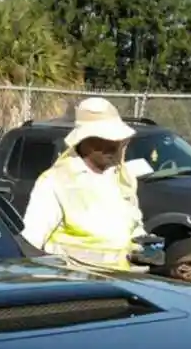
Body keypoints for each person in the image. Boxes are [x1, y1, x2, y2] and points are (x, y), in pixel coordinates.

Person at [20, 96, 147, 271]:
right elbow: (30, 244)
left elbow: (132, 228)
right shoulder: (55, 182)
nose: (113, 146)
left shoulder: (121, 178)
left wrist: (144, 248)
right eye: (103, 139)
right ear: (83, 141)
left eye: (116, 140)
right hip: (76, 289)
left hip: (120, 285)